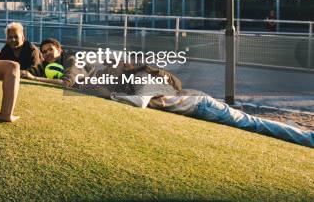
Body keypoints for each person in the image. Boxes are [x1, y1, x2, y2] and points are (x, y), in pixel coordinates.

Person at [23, 58, 313, 147]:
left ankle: (308, 137)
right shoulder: (134, 78)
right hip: (201, 107)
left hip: (205, 106)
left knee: (254, 124)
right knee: (253, 125)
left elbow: (138, 104)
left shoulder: (151, 78)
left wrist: (106, 94)